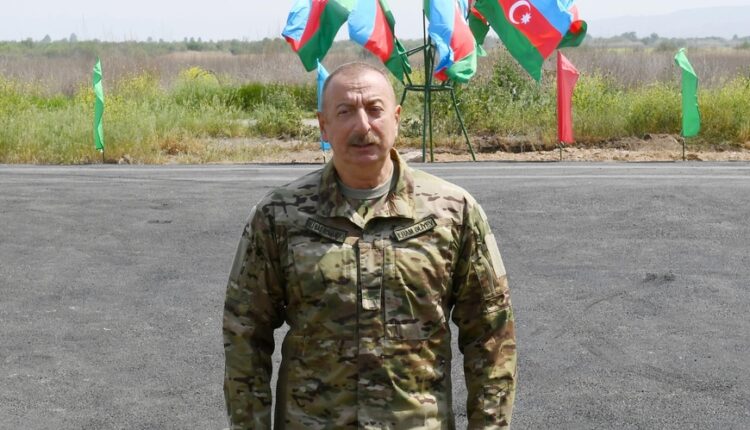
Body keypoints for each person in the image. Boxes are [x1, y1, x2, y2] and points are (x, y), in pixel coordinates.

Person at [223, 62, 516, 429]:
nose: (362, 126)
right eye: (345, 112)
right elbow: (245, 334)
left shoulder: (452, 211)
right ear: (324, 125)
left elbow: (491, 336)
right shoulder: (280, 215)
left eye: (375, 110)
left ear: (396, 118)